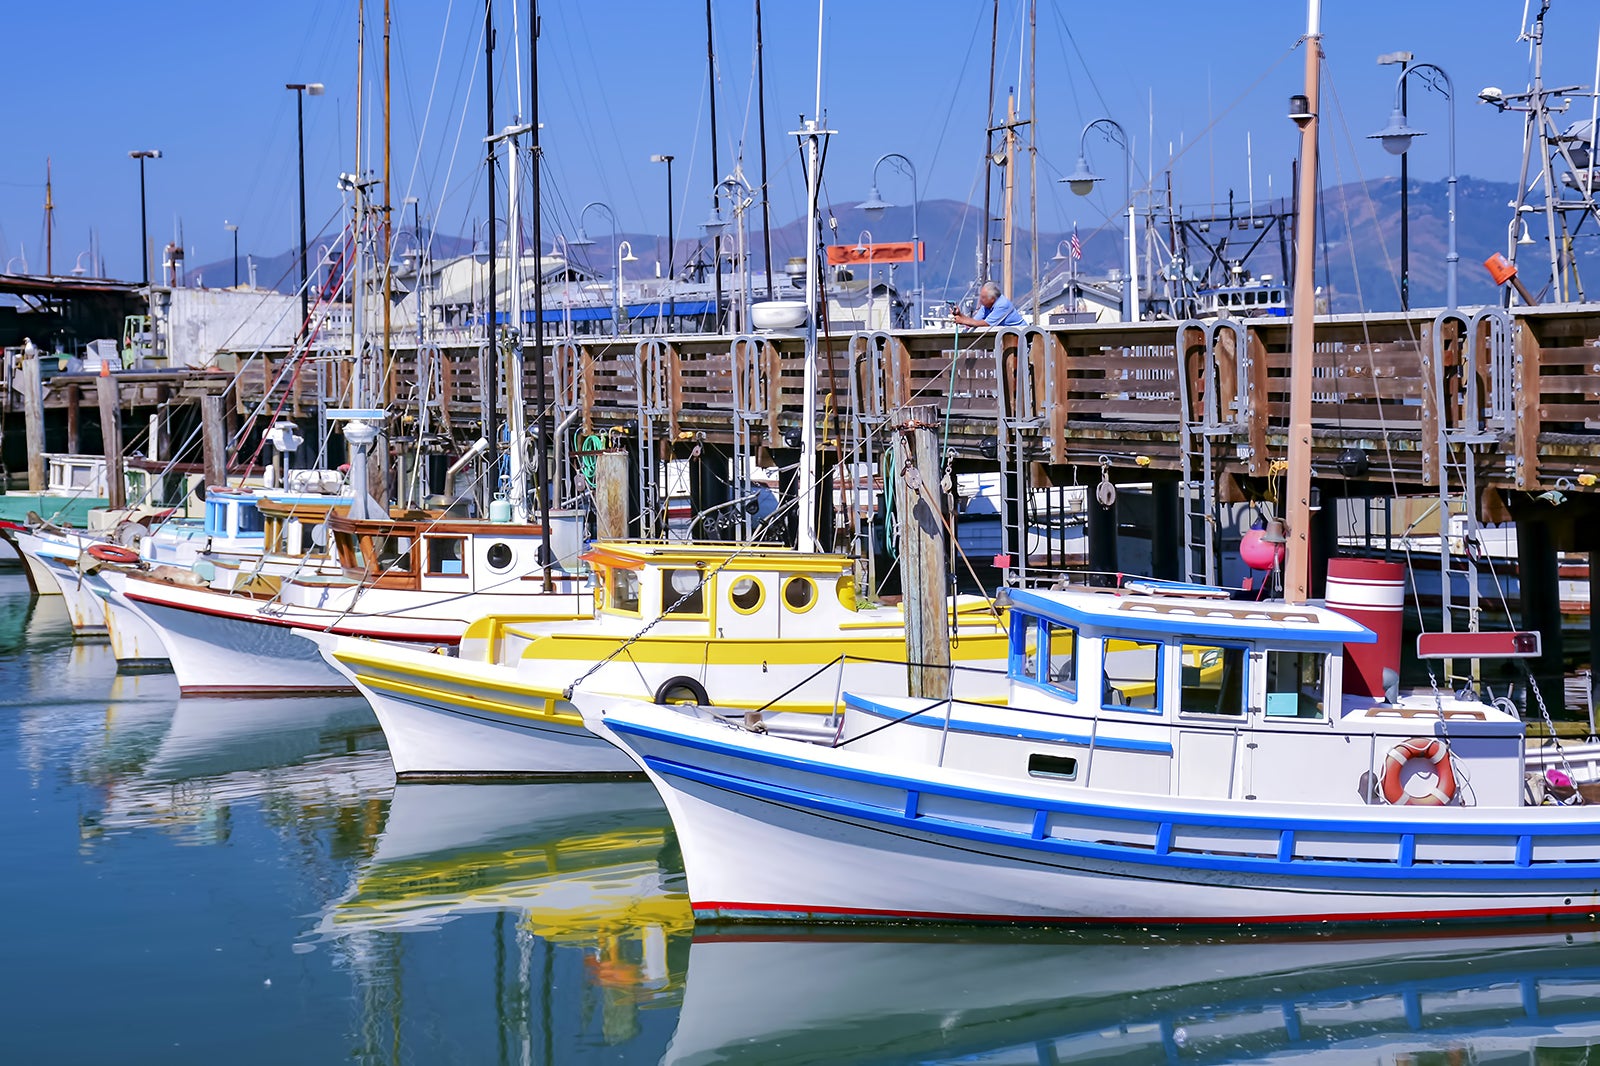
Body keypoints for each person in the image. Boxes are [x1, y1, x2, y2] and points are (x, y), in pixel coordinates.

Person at [951, 281, 1026, 329]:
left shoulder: (1002, 305)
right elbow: (975, 321)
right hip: (1009, 337)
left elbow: (986, 324)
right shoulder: (986, 306)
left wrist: (962, 320)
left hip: (1023, 335)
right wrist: (960, 315)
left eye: (983, 297)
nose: (980, 300)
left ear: (992, 299)